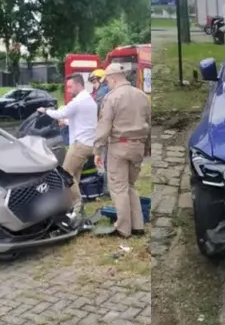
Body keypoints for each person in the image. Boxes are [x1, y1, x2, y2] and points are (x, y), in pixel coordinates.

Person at [92, 63, 151, 238]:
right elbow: (149, 121)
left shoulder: (111, 97)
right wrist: (147, 146)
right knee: (130, 186)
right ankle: (138, 225)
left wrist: (97, 150)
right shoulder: (142, 95)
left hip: (119, 146)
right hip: (138, 145)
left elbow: (104, 126)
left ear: (112, 78)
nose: (107, 84)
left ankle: (123, 228)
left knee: (118, 187)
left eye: (107, 81)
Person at [38, 73, 98, 213]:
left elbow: (60, 113)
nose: (69, 89)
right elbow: (77, 120)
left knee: (65, 174)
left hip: (80, 144)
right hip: (89, 142)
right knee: (75, 174)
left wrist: (45, 110)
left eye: (70, 86)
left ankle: (77, 204)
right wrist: (64, 122)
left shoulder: (78, 101)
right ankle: (71, 205)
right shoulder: (89, 99)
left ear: (78, 85)